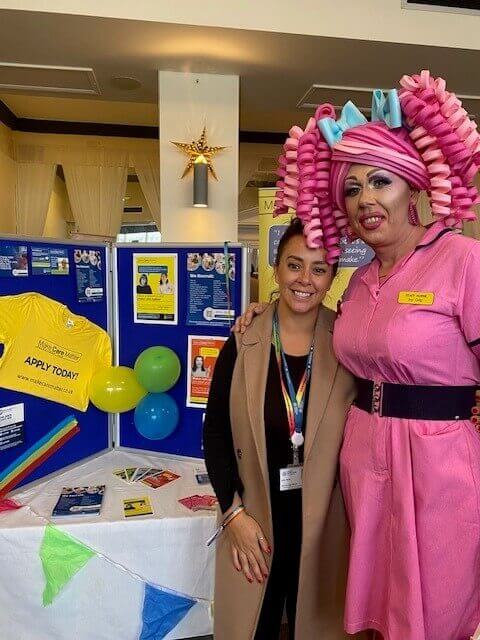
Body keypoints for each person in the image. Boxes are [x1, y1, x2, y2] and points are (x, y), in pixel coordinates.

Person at [235, 70, 480, 640]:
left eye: (380, 182)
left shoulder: (462, 260)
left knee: (436, 608)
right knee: (378, 606)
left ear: (415, 187)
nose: (365, 199)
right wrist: (262, 314)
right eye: (352, 188)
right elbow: (318, 335)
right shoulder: (361, 280)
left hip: (439, 464)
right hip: (364, 457)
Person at [204, 218, 359, 640]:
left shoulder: (348, 342)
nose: (304, 280)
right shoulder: (243, 339)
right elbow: (214, 433)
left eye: (318, 268)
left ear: (332, 277)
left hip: (324, 528)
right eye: (294, 265)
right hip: (255, 525)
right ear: (275, 267)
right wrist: (233, 514)